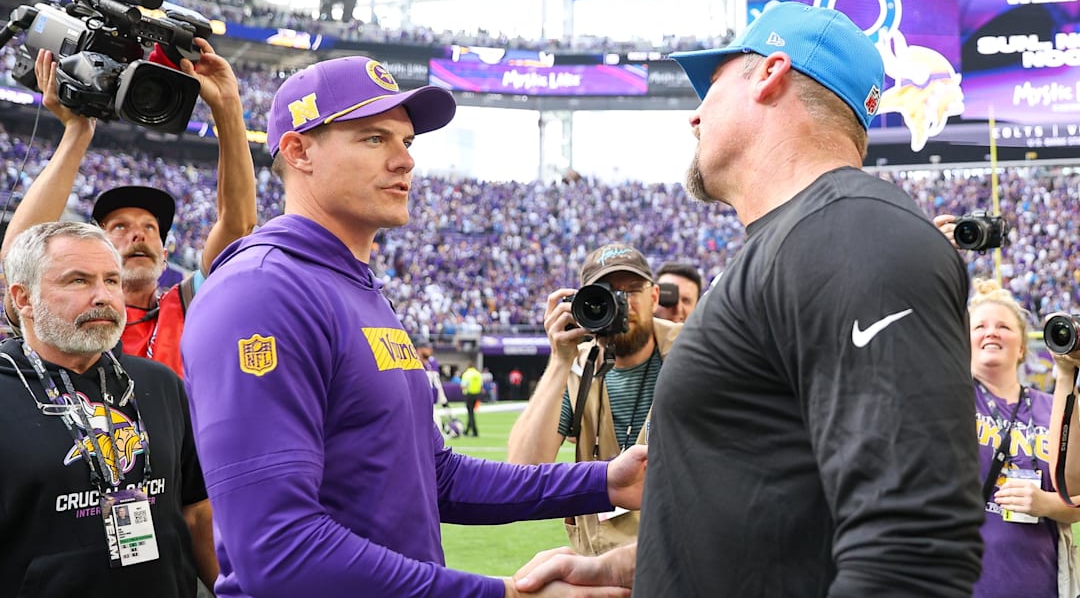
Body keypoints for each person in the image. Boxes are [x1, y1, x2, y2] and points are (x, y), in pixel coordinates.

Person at [513, 2, 983, 597]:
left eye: (711, 86)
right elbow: (775, 514)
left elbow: (914, 548)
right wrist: (626, 566)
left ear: (769, 73)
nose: (694, 116)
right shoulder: (798, 242)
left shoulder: (856, 234)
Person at [180, 54, 647, 598]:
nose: (405, 161)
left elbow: (435, 477)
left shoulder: (356, 287)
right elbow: (279, 551)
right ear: (299, 150)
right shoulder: (261, 291)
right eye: (375, 139)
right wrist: (504, 595)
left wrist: (607, 480)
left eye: (407, 142)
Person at [0, 39, 258, 378]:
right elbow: (20, 255)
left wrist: (226, 105)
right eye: (119, 227)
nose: (138, 233)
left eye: (151, 228)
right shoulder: (67, 311)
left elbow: (237, 225)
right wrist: (76, 133)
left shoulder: (187, 304)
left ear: (165, 256)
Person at [0, 221, 214, 596]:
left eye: (112, 281)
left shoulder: (160, 384)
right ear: (23, 298)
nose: (103, 296)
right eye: (78, 281)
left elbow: (196, 511)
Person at [507, 243, 680, 556]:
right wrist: (560, 360)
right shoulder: (576, 370)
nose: (621, 302)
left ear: (654, 296)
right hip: (602, 564)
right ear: (584, 304)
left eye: (631, 290)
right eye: (608, 293)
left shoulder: (690, 354)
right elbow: (522, 473)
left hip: (676, 559)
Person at [962, 278, 1080, 597]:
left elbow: (1075, 494)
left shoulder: (1052, 407)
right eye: (979, 326)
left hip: (1039, 582)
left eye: (1004, 326)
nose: (991, 332)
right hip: (964, 582)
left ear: (1023, 347)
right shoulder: (948, 397)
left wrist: (1046, 503)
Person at [461, 362, 484, 436]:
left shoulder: (466, 374)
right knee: (471, 412)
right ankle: (467, 430)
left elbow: (463, 385)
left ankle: (475, 431)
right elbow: (481, 385)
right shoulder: (478, 374)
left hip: (469, 394)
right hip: (477, 394)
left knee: (470, 413)